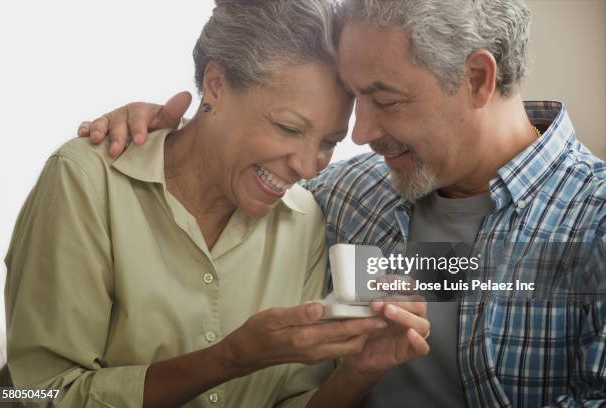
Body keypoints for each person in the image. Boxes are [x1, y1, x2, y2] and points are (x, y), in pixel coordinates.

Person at [82, 0, 606, 406]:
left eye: (385, 99)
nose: (362, 133)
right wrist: (167, 136)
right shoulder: (343, 195)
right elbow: (234, 170)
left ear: (476, 79)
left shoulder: (595, 220)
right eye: (357, 99)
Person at [4, 1, 432, 407]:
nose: (307, 166)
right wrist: (229, 359)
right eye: (288, 127)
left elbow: (293, 398)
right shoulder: (86, 182)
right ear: (216, 85)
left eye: (328, 143)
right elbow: (36, 395)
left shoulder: (305, 219)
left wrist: (358, 373)